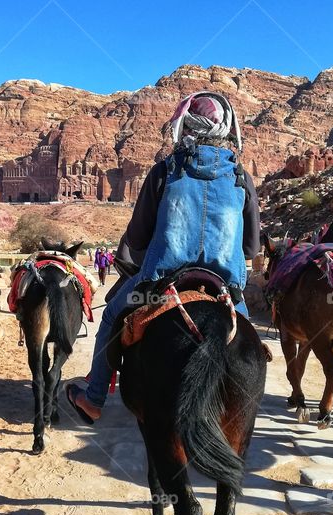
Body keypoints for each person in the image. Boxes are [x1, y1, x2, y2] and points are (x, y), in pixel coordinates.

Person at [66, 91, 260, 423]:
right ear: (226, 129)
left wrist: (150, 253)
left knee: (113, 316)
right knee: (249, 340)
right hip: (226, 285)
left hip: (160, 280)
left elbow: (138, 238)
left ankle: (94, 397)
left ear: (185, 126)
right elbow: (250, 249)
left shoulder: (165, 171)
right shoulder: (242, 178)